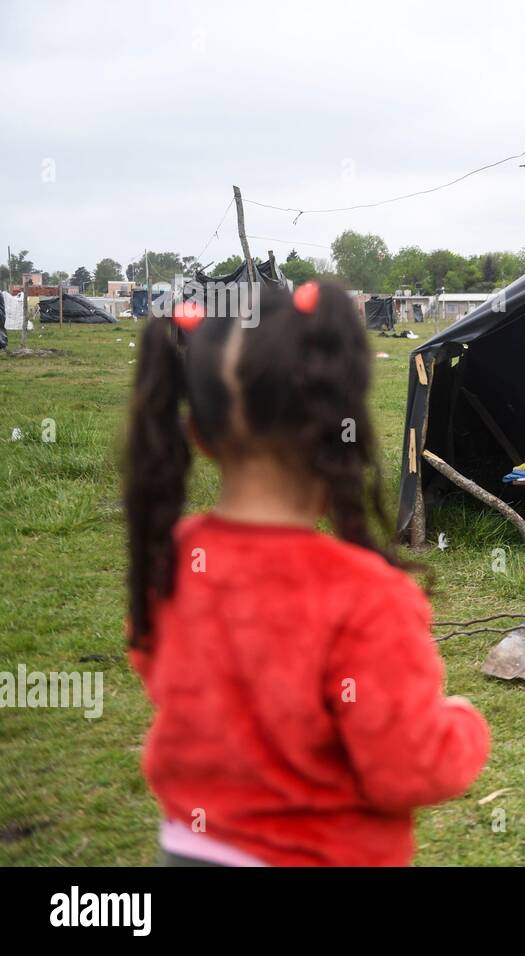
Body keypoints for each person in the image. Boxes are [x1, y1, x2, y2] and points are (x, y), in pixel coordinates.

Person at [123, 281, 490, 866]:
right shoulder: (366, 597)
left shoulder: (175, 559)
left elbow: (156, 663)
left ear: (200, 436)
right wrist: (464, 725)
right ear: (339, 430)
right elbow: (404, 768)